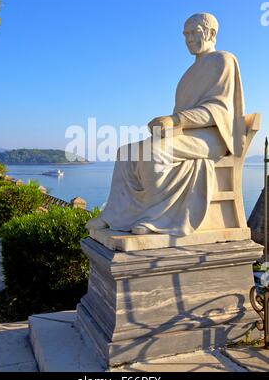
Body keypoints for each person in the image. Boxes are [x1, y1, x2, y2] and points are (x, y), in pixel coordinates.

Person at [86, 13, 246, 236]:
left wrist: (176, 120)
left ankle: (158, 219)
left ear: (211, 33)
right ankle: (116, 215)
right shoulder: (189, 73)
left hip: (213, 136)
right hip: (188, 133)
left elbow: (218, 109)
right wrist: (169, 126)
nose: (189, 39)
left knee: (153, 152)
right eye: (186, 34)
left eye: (195, 33)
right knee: (127, 152)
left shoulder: (223, 60)